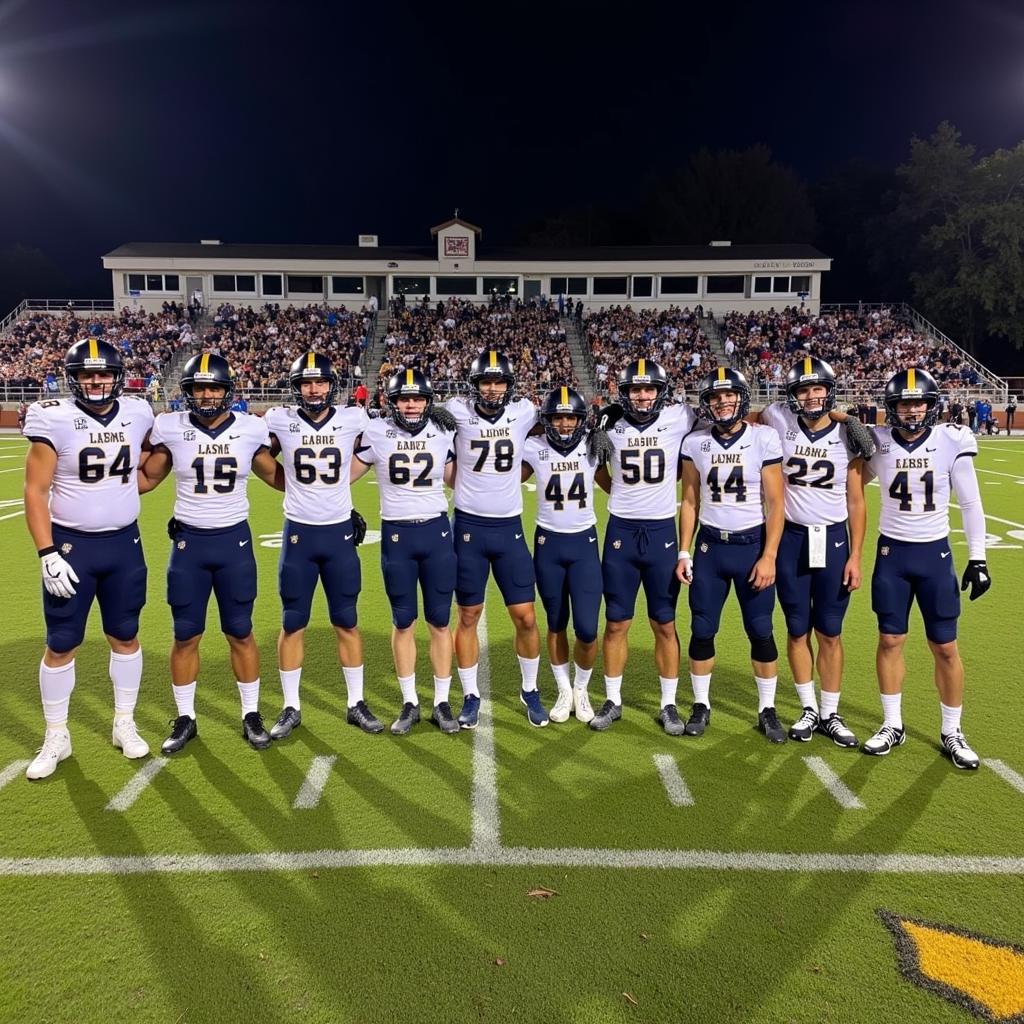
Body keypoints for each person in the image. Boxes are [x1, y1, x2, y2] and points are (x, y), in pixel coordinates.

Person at [138, 353, 285, 753]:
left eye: (213, 387)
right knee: (186, 635)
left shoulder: (251, 429)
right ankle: (186, 718)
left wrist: (328, 491)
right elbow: (148, 477)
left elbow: (276, 475)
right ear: (187, 392)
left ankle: (251, 713)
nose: (206, 395)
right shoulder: (170, 427)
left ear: (227, 391)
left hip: (233, 542)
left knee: (240, 631)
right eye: (198, 388)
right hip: (189, 545)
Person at [22, 339, 154, 779]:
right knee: (61, 643)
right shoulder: (53, 416)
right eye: (86, 374)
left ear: (118, 376)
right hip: (71, 546)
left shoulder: (138, 413)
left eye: (103, 374)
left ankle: (124, 722)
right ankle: (56, 734)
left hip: (123, 545)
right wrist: (46, 552)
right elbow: (35, 490)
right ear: (73, 377)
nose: (95, 382)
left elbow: (150, 465)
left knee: (126, 635)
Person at [861, 368, 991, 768]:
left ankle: (952, 730)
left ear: (932, 405)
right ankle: (892, 724)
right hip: (892, 556)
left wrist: (978, 557)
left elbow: (970, 504)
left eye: (920, 402)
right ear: (892, 407)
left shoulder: (951, 440)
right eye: (905, 402)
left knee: (946, 647)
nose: (913, 409)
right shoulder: (879, 443)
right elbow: (849, 482)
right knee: (889, 641)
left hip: (934, 555)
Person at [263, 352, 379, 739]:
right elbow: (258, 456)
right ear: (296, 388)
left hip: (338, 534)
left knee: (346, 619)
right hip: (300, 533)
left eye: (321, 382)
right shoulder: (280, 419)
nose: (314, 389)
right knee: (293, 620)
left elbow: (386, 440)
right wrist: (287, 483)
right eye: (306, 383)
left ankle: (356, 702)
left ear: (332, 385)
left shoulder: (353, 418)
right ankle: (291, 705)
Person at [759, 357, 869, 746]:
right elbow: (745, 414)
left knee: (830, 632)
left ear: (829, 389)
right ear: (792, 395)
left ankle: (830, 712)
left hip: (834, 539)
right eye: (803, 390)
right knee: (796, 628)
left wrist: (856, 556)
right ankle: (808, 708)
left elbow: (856, 501)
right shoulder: (779, 419)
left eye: (817, 388)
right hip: (791, 538)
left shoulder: (846, 436)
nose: (811, 396)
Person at [677, 367, 787, 743]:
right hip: (710, 547)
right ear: (706, 404)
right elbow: (689, 500)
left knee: (760, 629)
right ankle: (701, 703)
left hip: (751, 546)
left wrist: (770, 555)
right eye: (714, 398)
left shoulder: (763, 438)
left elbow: (775, 503)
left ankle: (767, 708)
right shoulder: (695, 443)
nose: (722, 403)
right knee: (703, 627)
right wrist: (684, 551)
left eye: (728, 396)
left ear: (741, 397)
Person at [352, 368, 460, 734]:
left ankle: (442, 702)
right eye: (404, 398)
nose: (411, 405)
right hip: (398, 535)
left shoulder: (444, 432)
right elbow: (341, 473)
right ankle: (410, 701)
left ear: (429, 402)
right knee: (404, 622)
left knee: (440, 622)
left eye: (418, 398)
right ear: (392, 401)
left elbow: (457, 478)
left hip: (436, 532)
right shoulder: (376, 432)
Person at [593, 358, 697, 734]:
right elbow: (598, 470)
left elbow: (730, 418)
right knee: (616, 622)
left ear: (660, 391)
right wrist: (621, 492)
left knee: (664, 624)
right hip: (621, 530)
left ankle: (668, 704)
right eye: (635, 389)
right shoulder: (611, 425)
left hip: (661, 534)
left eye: (649, 388)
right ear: (624, 393)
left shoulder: (680, 418)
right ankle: (613, 699)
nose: (642, 395)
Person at [444, 350, 547, 728]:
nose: (491, 388)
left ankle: (530, 688)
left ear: (509, 384)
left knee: (525, 616)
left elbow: (564, 422)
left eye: (498, 381)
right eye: (485, 381)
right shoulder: (455, 411)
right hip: (469, 527)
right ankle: (470, 693)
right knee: (468, 614)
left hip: (508, 528)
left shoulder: (524, 413)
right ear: (474, 384)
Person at [522, 387, 604, 724]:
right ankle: (564, 689)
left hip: (584, 543)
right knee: (556, 622)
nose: (566, 423)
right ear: (548, 419)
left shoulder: (594, 446)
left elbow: (621, 483)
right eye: (559, 416)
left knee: (586, 629)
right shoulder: (533, 447)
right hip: (548, 544)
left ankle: (582, 689)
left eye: (572, 416)